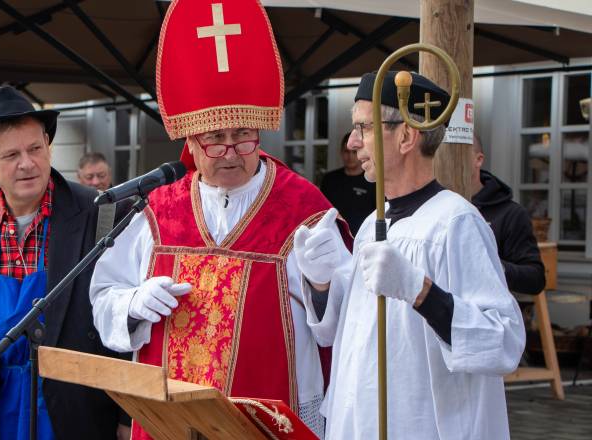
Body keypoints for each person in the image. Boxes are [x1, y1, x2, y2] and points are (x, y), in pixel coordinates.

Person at [89, 1, 353, 438]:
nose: (230, 151)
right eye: (215, 139)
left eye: (243, 136)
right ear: (190, 141)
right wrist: (132, 305)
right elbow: (104, 296)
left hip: (267, 418)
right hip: (171, 421)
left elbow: (348, 325)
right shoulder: (156, 210)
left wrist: (325, 287)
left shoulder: (305, 210)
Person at [297, 72, 525, 439]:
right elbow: (356, 334)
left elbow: (503, 342)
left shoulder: (456, 223)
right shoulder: (374, 222)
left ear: (405, 136)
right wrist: (322, 282)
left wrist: (421, 291)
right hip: (361, 419)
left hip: (419, 422)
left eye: (363, 128)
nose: (354, 142)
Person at [0, 86, 129, 440]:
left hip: (72, 408)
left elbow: (123, 322)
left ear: (48, 145)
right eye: (11, 154)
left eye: (35, 148)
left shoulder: (101, 214)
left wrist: (127, 416)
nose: (27, 163)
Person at [471, 135, 545, 295]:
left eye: (459, 155)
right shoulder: (431, 207)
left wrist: (492, 266)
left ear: (478, 160)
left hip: (488, 316)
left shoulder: (510, 214)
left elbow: (535, 278)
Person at [320, 132, 376, 234]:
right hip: (334, 237)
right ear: (341, 152)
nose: (350, 156)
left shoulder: (372, 180)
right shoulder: (330, 179)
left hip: (364, 239)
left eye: (354, 152)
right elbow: (321, 210)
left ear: (361, 152)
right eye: (346, 151)